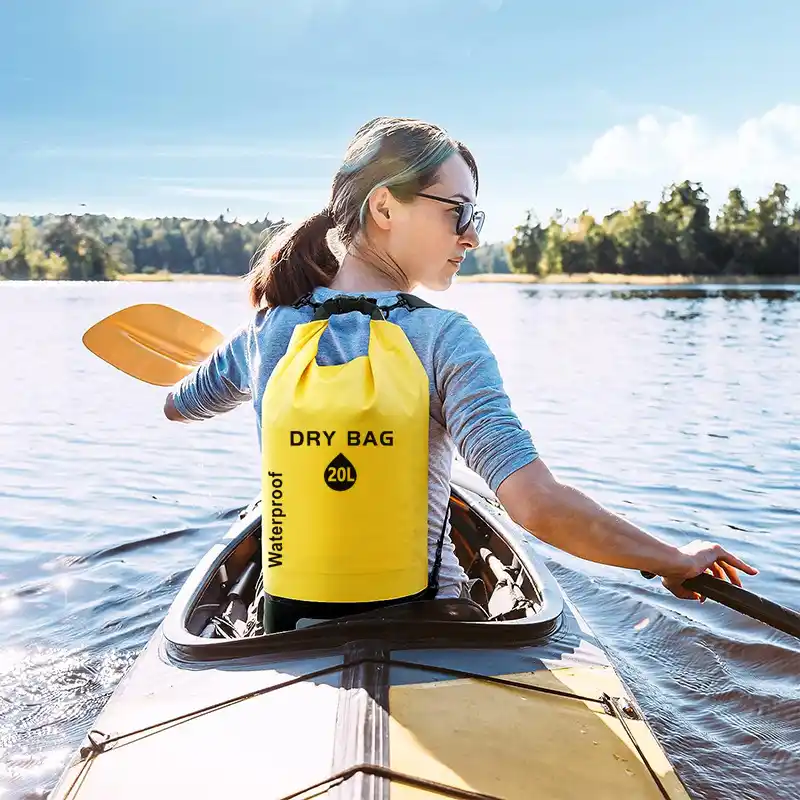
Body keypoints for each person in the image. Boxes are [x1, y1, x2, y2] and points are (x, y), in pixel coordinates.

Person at [163, 115, 756, 611]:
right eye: (460, 212)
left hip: (288, 624)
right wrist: (672, 559)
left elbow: (178, 406)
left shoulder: (268, 332)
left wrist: (243, 349)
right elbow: (537, 504)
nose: (471, 237)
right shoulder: (443, 337)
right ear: (385, 208)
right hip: (425, 621)